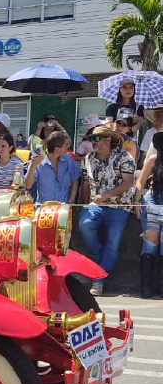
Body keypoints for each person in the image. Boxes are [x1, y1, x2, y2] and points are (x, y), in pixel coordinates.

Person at [78, 125, 136, 296]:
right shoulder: (88, 158)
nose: (92, 142)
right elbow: (86, 183)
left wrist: (106, 196)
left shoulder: (124, 157)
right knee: (84, 224)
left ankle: (98, 280)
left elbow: (128, 183)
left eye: (96, 139)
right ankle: (98, 260)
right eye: (91, 139)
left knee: (113, 243)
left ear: (108, 140)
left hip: (119, 206)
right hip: (95, 205)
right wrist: (84, 203)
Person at [134, 132, 163, 297]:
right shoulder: (153, 159)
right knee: (150, 243)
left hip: (155, 201)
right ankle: (146, 287)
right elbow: (141, 180)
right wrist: (136, 201)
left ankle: (159, 287)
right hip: (152, 201)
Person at [25, 131, 80, 204]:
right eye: (66, 145)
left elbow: (75, 179)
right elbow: (28, 185)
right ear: (57, 149)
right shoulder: (39, 162)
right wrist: (33, 166)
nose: (68, 147)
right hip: (44, 208)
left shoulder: (68, 160)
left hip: (64, 209)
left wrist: (71, 199)